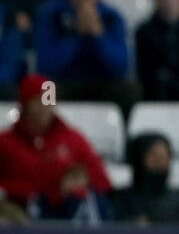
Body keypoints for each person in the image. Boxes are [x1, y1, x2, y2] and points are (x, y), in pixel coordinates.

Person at [0, 72, 111, 216]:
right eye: (37, 101)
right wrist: (32, 191)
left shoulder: (72, 139)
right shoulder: (6, 143)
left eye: (49, 101)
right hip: (19, 214)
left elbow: (101, 179)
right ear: (25, 105)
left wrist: (80, 182)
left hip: (66, 214)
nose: (44, 108)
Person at [33, 0, 133, 107]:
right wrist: (75, 34)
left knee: (129, 90)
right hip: (64, 83)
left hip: (102, 84)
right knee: (44, 90)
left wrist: (98, 36)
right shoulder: (51, 14)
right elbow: (46, 66)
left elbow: (120, 67)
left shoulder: (111, 17)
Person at [108, 133, 179, 225]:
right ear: (139, 158)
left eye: (165, 156)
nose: (160, 161)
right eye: (154, 156)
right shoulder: (122, 199)